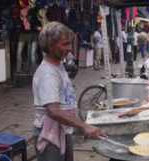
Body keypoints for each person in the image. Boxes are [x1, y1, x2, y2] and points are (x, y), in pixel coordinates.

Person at [33, 22, 106, 161]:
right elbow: (53, 111)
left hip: (63, 128)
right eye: (65, 44)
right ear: (50, 45)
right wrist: (84, 126)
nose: (70, 48)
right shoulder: (48, 74)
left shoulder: (58, 65)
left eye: (70, 44)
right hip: (49, 134)